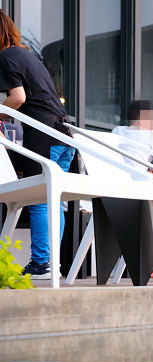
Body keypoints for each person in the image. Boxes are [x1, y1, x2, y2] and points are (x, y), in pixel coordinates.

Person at [0, 11, 73, 279]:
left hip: (44, 135)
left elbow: (18, 97)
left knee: (40, 200)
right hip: (64, 134)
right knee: (54, 200)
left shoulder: (6, 57)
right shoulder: (27, 55)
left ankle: (42, 263)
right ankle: (51, 263)